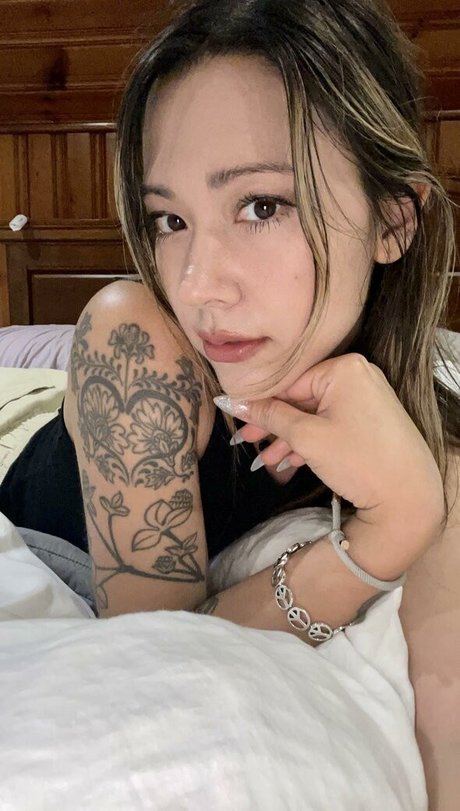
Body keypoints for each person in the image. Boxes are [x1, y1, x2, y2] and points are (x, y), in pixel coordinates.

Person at [0, 0, 459, 795]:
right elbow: (161, 657)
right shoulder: (134, 342)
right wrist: (381, 539)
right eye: (169, 219)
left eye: (261, 206)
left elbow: (445, 720)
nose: (196, 285)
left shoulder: (430, 438)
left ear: (392, 221)